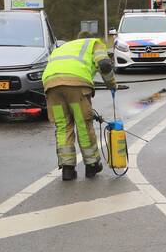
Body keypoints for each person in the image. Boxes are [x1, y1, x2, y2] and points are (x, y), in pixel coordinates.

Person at [41, 31, 117, 181]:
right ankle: (92, 165)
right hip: (76, 86)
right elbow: (104, 64)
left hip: (51, 86)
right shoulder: (94, 43)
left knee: (63, 126)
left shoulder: (62, 48)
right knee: (82, 124)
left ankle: (67, 169)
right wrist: (111, 84)